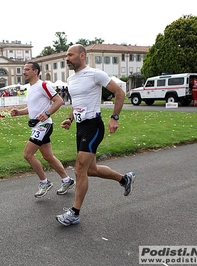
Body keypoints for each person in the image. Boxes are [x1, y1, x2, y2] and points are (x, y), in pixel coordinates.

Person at [56, 44, 135, 226]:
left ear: (82, 56)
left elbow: (119, 92)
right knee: (91, 170)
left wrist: (114, 117)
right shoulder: (71, 78)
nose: (67, 58)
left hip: (93, 126)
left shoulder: (95, 74)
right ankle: (125, 179)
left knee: (79, 170)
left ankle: (74, 213)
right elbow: (77, 103)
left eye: (70, 55)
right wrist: (70, 119)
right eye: (66, 55)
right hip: (81, 126)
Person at [11, 61, 75, 198]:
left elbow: (59, 101)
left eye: (27, 69)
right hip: (37, 126)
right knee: (48, 156)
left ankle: (44, 182)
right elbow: (33, 108)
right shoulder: (31, 88)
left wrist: (47, 114)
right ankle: (67, 180)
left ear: (35, 71)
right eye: (24, 69)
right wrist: (19, 112)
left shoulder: (43, 85)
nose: (24, 72)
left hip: (43, 126)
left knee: (27, 155)